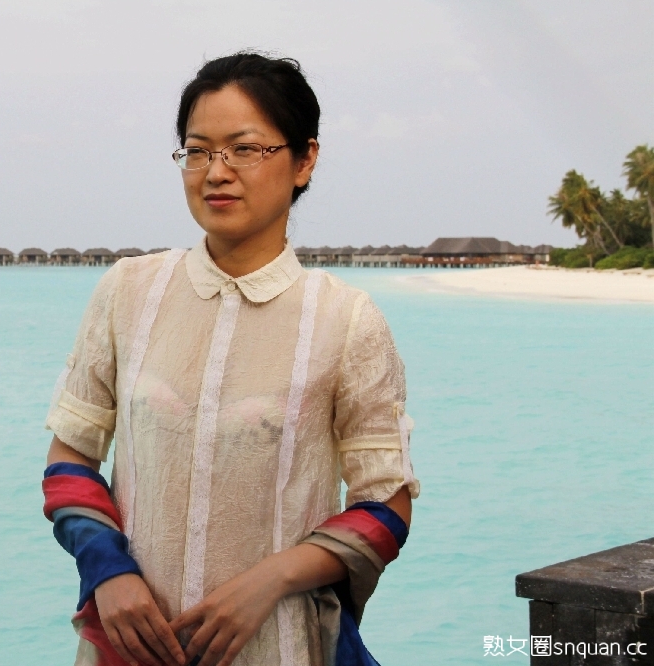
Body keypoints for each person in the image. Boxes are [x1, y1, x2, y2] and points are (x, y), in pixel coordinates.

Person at [41, 52, 419, 666]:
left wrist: (269, 580)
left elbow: (387, 504)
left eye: (245, 149)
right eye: (198, 151)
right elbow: (71, 453)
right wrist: (108, 571)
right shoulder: (128, 292)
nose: (216, 173)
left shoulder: (344, 319)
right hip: (130, 646)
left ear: (305, 160)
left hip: (277, 643)